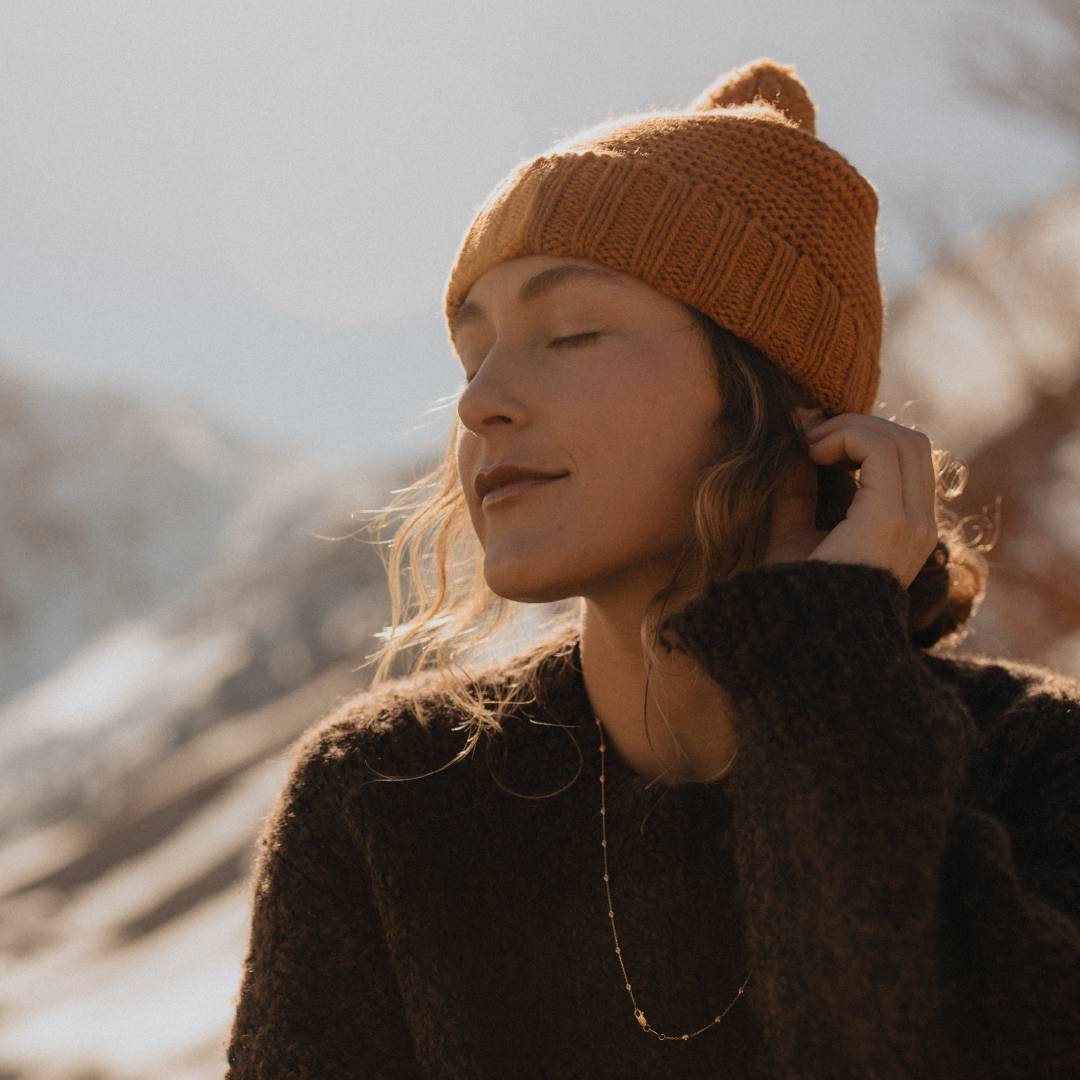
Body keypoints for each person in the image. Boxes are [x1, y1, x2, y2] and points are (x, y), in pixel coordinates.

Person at [224, 58, 1080, 1079]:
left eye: (571, 332)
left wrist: (824, 678)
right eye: (472, 356)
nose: (478, 403)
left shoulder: (1040, 768)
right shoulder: (381, 797)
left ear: (780, 400)